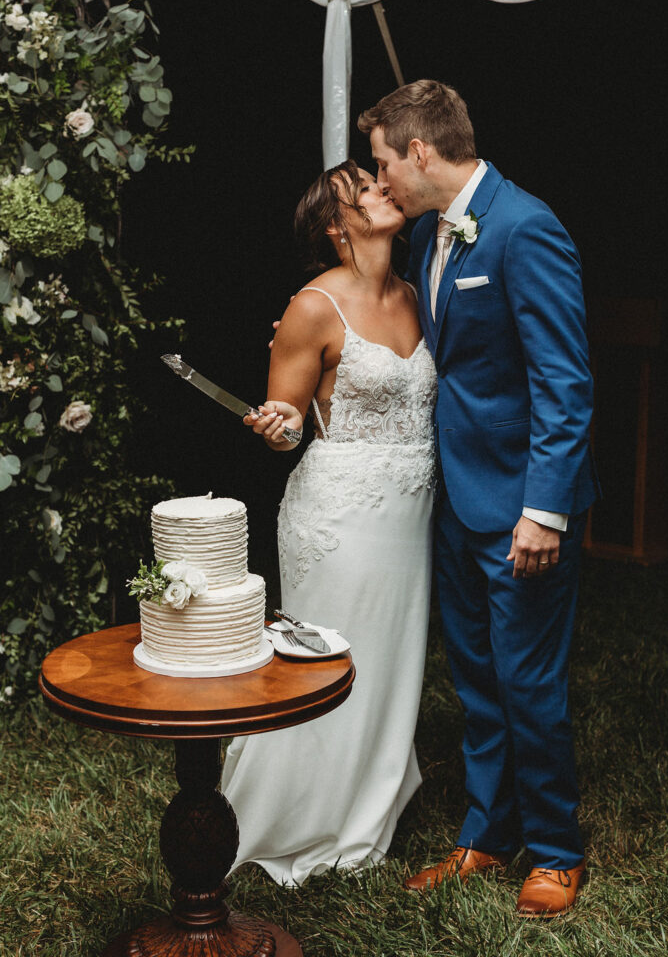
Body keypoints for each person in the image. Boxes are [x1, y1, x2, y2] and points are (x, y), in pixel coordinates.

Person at [358, 80, 598, 917]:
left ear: (419, 151)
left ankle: (557, 849)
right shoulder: (427, 230)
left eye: (383, 161)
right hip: (453, 504)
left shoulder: (524, 227)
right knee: (476, 681)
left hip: (517, 509)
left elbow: (563, 383)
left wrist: (545, 510)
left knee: (528, 681)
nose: (378, 177)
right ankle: (487, 834)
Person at [221, 160, 437, 885]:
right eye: (364, 189)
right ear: (335, 226)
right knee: (327, 662)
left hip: (410, 513)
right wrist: (278, 421)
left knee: (389, 659)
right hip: (339, 516)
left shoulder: (416, 293)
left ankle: (367, 802)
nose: (383, 188)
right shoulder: (313, 306)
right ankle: (292, 810)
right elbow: (287, 427)